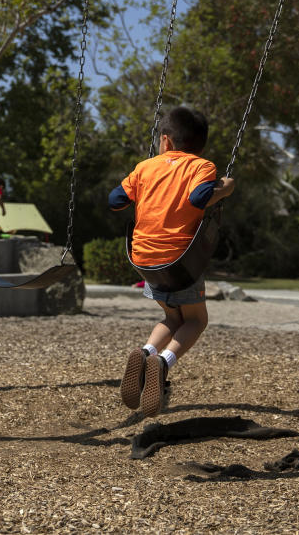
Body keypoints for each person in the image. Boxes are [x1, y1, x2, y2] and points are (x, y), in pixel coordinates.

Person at [108, 106, 235, 417]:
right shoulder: (202, 166)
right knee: (196, 320)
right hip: (180, 259)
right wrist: (225, 187)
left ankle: (145, 352)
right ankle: (162, 363)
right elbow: (197, 199)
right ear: (200, 145)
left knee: (173, 318)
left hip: (143, 258)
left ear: (165, 140)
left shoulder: (144, 167)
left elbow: (115, 201)